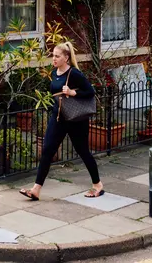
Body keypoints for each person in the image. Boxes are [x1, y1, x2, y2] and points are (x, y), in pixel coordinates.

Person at [20, 42, 103, 201]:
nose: (54, 58)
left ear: (66, 57)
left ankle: (98, 185)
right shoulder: (54, 73)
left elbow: (90, 92)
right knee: (47, 150)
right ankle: (36, 189)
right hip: (58, 117)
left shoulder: (75, 74)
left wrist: (72, 92)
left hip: (75, 120)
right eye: (53, 55)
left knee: (83, 151)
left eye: (57, 56)